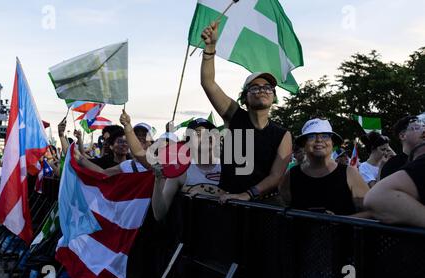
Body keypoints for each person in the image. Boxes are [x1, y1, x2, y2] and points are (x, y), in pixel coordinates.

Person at [200, 21, 292, 203]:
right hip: (228, 202)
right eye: (255, 88)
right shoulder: (233, 115)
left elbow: (275, 176)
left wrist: (247, 195)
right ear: (244, 98)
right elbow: (208, 83)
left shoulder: (283, 135)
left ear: (274, 97)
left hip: (264, 206)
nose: (262, 90)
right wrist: (210, 49)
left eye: (268, 87)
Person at [279, 119, 369, 215]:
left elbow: (369, 212)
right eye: (312, 136)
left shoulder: (350, 173)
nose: (319, 140)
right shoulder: (292, 175)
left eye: (325, 136)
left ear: (332, 143)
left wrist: (339, 221)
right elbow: (284, 206)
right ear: (304, 144)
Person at [152, 118, 224, 221]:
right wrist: (158, 180)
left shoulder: (229, 168)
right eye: (199, 134)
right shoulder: (181, 171)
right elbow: (159, 214)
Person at [360, 142, 425, 227]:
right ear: (373, 150)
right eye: (382, 150)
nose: (385, 153)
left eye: (387, 150)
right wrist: (381, 167)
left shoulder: (391, 163)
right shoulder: (364, 166)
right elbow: (374, 188)